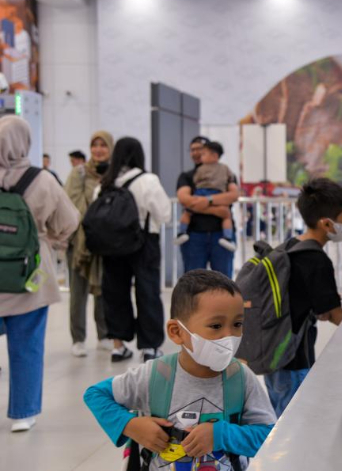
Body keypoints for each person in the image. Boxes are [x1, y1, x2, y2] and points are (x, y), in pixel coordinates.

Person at [83, 270, 275, 470]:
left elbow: (269, 436)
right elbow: (96, 394)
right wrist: (130, 425)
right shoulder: (155, 375)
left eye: (237, 324)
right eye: (216, 325)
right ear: (177, 332)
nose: (229, 336)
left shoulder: (242, 379)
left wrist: (221, 436)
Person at [0, 116, 80, 432]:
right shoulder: (43, 179)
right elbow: (69, 220)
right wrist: (49, 242)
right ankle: (23, 413)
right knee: (27, 345)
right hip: (29, 275)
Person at [264, 178, 342, 416]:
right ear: (327, 223)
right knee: (292, 420)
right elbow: (335, 315)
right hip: (295, 358)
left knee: (279, 411)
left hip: (275, 353)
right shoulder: (316, 260)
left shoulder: (291, 246)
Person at [97, 137, 171, 363]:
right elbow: (164, 213)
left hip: (111, 245)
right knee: (147, 292)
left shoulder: (105, 183)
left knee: (114, 294)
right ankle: (149, 347)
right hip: (144, 242)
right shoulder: (147, 180)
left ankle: (118, 346)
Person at [64, 131, 115, 357]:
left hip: (105, 241)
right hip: (81, 242)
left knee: (103, 290)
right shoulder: (80, 172)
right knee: (78, 291)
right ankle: (78, 338)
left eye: (103, 145)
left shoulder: (115, 173)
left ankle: (103, 335)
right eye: (94, 145)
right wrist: (96, 220)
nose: (98, 150)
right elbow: (72, 203)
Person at [177, 138, 239, 278]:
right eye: (193, 150)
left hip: (221, 235)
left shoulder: (225, 171)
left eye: (200, 149)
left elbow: (233, 195)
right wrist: (218, 210)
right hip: (194, 235)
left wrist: (206, 201)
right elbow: (185, 199)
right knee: (194, 282)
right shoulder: (188, 176)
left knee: (224, 281)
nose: (197, 153)